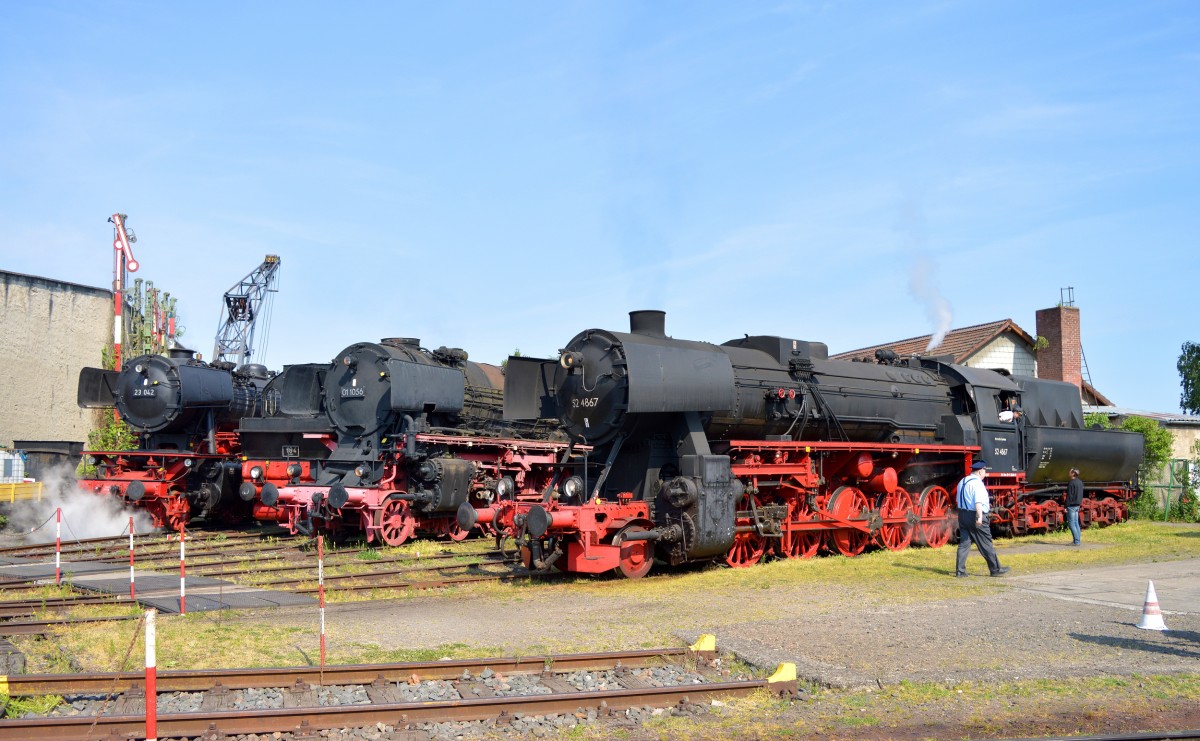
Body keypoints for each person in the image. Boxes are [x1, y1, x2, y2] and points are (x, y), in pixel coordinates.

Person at [955, 460, 1010, 577]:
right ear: (980, 472)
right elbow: (978, 502)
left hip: (962, 515)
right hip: (975, 515)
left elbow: (957, 500)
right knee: (986, 542)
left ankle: (960, 571)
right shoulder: (978, 484)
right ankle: (995, 569)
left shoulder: (962, 481)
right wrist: (980, 517)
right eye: (985, 471)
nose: (985, 473)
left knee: (964, 544)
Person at [1066, 468, 1084, 546]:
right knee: (1076, 523)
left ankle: (1076, 541)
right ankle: (1077, 540)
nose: (1069, 473)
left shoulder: (1071, 483)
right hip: (1077, 505)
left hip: (1071, 505)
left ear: (1073, 473)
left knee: (1072, 523)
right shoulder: (1080, 482)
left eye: (1070, 472)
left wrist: (1066, 506)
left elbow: (1069, 495)